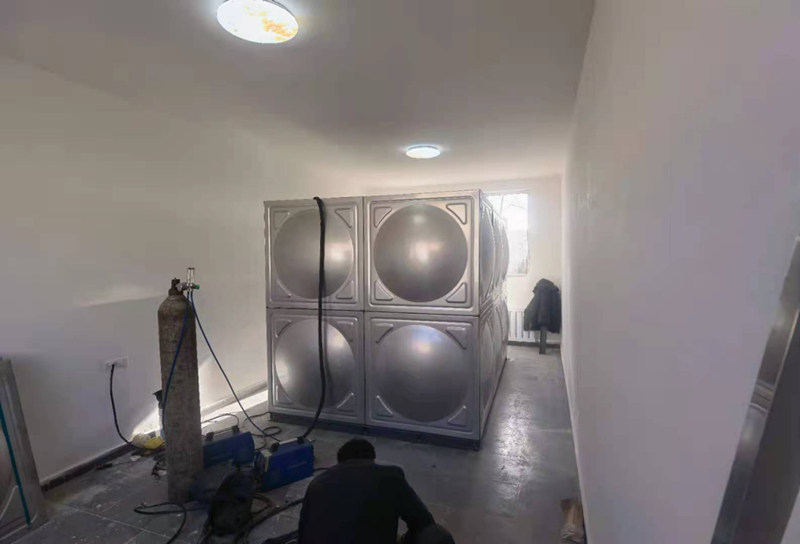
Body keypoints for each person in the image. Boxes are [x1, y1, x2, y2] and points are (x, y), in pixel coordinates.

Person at [297, 438, 455, 544]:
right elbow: (423, 521)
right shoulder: (391, 475)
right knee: (437, 535)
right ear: (373, 460)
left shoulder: (316, 484)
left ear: (340, 463)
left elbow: (302, 533)